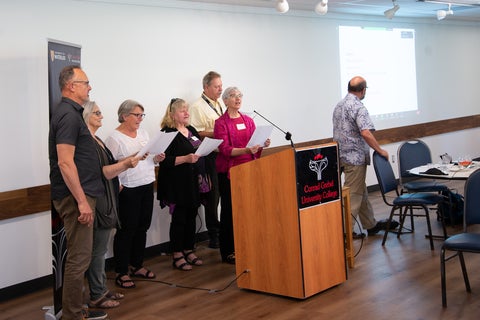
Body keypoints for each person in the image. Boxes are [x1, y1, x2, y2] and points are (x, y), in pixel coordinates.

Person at [48, 65, 107, 320]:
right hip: (76, 198)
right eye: (85, 83)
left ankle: (76, 309)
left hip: (80, 195)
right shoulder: (69, 115)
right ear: (71, 86)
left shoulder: (70, 112)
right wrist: (82, 201)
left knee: (80, 256)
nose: (89, 87)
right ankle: (73, 315)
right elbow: (65, 162)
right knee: (79, 258)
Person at [83, 101, 140, 309]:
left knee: (100, 249)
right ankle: (96, 294)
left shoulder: (96, 139)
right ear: (86, 115)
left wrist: (130, 159)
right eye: (97, 113)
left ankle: (101, 289)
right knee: (97, 250)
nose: (101, 116)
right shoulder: (87, 142)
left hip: (107, 197)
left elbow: (107, 168)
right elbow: (104, 172)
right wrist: (125, 164)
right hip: (99, 200)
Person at [105, 100, 165, 289]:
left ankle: (137, 265)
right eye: (137, 115)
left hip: (146, 183)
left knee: (142, 226)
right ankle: (121, 272)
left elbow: (148, 159)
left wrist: (157, 158)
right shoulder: (114, 138)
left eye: (142, 115)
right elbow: (109, 166)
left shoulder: (144, 133)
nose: (140, 119)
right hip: (128, 188)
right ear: (124, 116)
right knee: (126, 230)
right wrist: (119, 184)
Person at [332, 76, 399, 239]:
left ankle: (370, 224)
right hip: (354, 158)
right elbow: (365, 132)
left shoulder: (339, 105)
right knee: (353, 196)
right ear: (362, 90)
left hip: (340, 155)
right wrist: (380, 150)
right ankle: (344, 233)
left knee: (360, 191)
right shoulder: (358, 106)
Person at [214, 87, 270, 264]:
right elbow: (224, 150)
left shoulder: (248, 120)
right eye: (233, 96)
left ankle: (249, 245)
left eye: (239, 96)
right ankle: (229, 250)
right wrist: (246, 149)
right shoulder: (220, 123)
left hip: (249, 170)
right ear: (225, 101)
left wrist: (262, 144)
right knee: (230, 212)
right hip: (230, 172)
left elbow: (254, 145)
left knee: (249, 210)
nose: (237, 99)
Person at [157, 98, 205, 271]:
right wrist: (185, 159)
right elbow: (164, 161)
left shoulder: (191, 130)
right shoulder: (166, 133)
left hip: (192, 180)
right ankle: (177, 254)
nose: (187, 113)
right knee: (179, 219)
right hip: (176, 183)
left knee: (192, 216)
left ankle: (188, 249)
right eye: (182, 110)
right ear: (172, 115)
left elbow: (198, 150)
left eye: (187, 110)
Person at [189, 71, 225, 249]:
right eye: (217, 86)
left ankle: (224, 230)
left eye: (221, 86)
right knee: (213, 196)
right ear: (206, 87)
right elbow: (195, 133)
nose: (220, 89)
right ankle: (214, 235)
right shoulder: (197, 107)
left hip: (223, 154)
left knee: (224, 193)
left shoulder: (219, 104)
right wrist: (218, 132)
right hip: (209, 156)